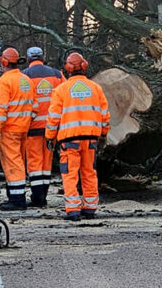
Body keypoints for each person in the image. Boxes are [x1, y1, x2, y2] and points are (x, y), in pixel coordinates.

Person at [45, 52, 110, 221]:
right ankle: (90, 208)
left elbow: (53, 117)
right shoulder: (95, 88)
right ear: (84, 66)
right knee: (89, 173)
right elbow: (105, 114)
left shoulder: (61, 90)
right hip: (90, 139)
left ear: (67, 68)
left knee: (70, 175)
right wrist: (103, 133)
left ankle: (73, 210)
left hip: (69, 141)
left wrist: (49, 137)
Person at [0, 46, 37, 211]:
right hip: (23, 129)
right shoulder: (26, 80)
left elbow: (2, 110)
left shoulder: (4, 82)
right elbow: (35, 107)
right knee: (19, 161)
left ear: (3, 62)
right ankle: (15, 195)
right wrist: (26, 121)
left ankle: (17, 199)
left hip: (9, 129)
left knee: (13, 164)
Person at [21, 46, 64, 207]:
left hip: (32, 127)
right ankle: (43, 195)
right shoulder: (57, 75)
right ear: (42, 56)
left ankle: (38, 197)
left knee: (34, 162)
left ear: (28, 59)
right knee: (47, 162)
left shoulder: (24, 76)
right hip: (52, 127)